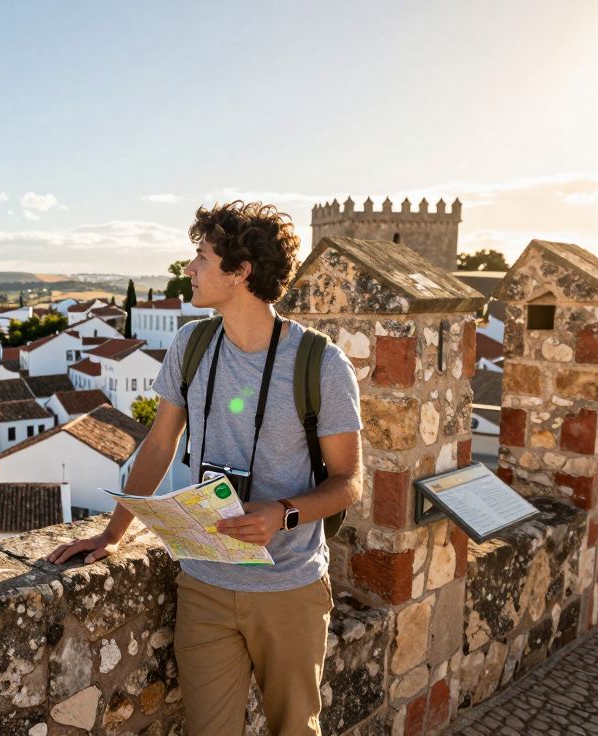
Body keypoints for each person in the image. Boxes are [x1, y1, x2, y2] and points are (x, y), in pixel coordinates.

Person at [46, 201, 363, 736]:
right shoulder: (191, 345)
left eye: (201, 256)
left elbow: (349, 482)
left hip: (289, 588)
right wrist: (112, 533)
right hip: (205, 584)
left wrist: (281, 514)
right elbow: (159, 444)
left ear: (240, 272)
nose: (188, 268)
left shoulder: (321, 365)